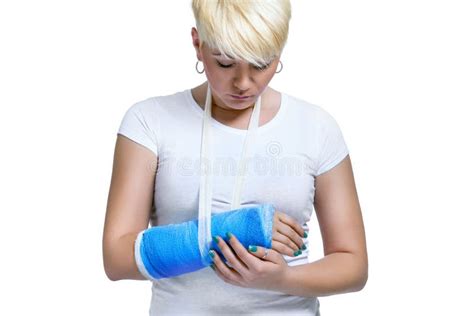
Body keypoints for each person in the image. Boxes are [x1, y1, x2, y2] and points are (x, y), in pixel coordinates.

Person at [102, 0, 368, 315]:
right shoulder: (149, 121)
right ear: (198, 45)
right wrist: (221, 232)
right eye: (225, 63)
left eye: (261, 63)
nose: (243, 83)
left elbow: (353, 264)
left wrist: (282, 279)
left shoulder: (316, 127)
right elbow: (116, 259)